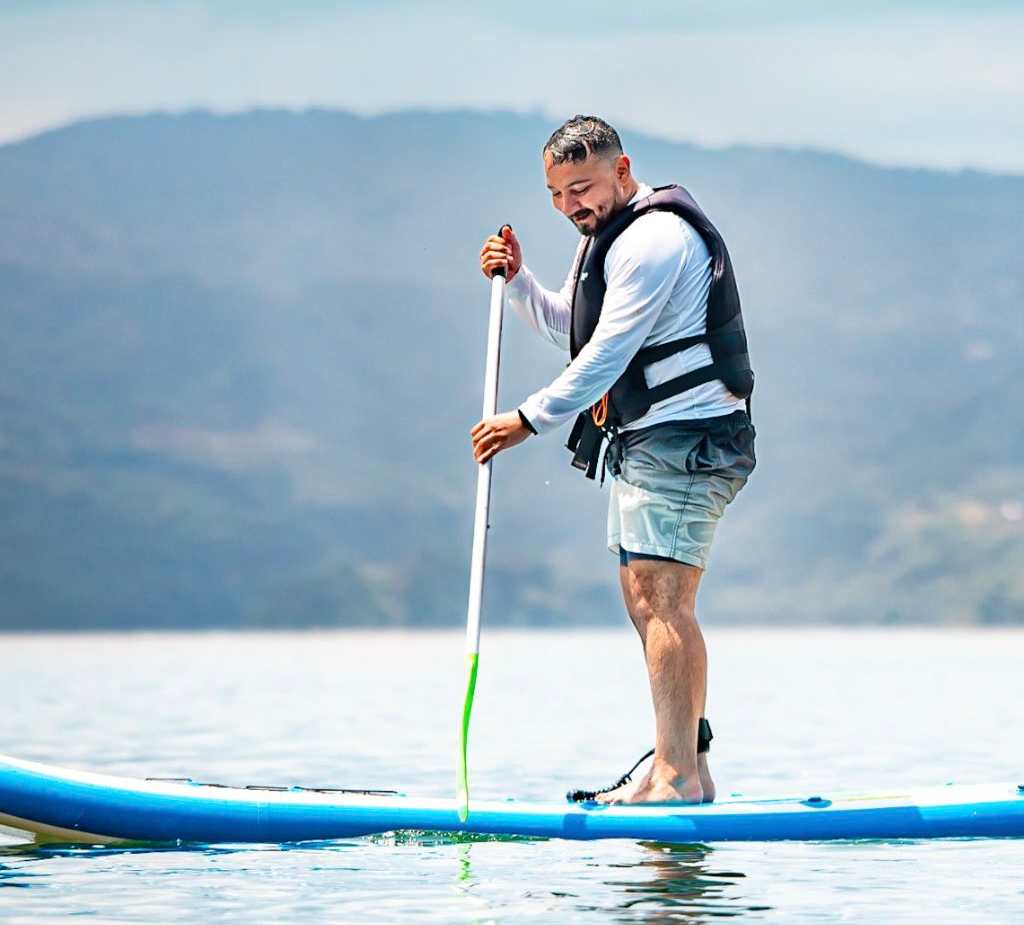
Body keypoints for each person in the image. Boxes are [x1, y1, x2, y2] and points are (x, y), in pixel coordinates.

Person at [473, 115, 756, 804]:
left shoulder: (655, 239)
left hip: (690, 439)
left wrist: (527, 420)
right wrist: (516, 280)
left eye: (583, 187)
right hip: (649, 441)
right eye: (557, 193)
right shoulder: (606, 239)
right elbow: (569, 326)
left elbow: (607, 355)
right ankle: (686, 762)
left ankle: (677, 777)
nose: (572, 205)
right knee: (647, 602)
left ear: (621, 170)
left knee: (664, 602)